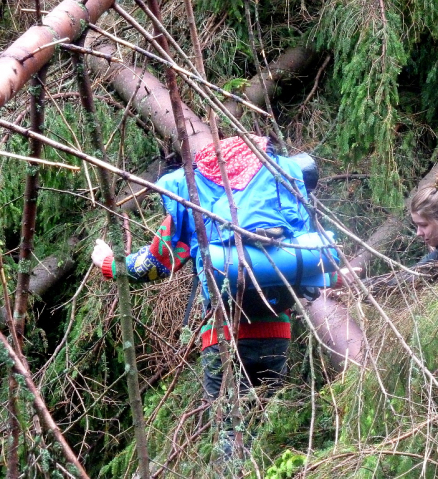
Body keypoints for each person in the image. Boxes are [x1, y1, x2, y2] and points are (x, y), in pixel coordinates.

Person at [91, 135, 326, 420]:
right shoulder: (280, 186)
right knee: (268, 428)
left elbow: (154, 264)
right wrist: (337, 279)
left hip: (222, 336)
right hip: (275, 332)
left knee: (228, 430)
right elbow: (308, 253)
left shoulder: (194, 193)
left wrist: (107, 263)